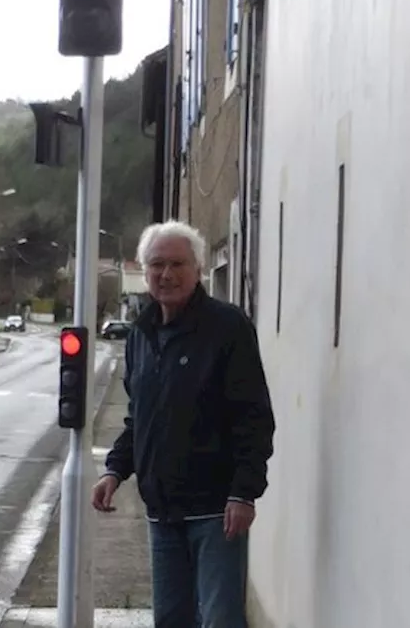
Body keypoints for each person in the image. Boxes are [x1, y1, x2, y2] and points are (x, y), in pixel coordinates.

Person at [91, 220, 275, 628]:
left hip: (215, 512)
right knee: (171, 620)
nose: (166, 274)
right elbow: (141, 418)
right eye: (156, 264)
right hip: (162, 512)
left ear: (198, 269)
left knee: (220, 619)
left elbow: (254, 417)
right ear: (144, 271)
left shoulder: (227, 328)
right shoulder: (141, 335)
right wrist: (115, 470)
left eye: (178, 264)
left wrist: (244, 493)